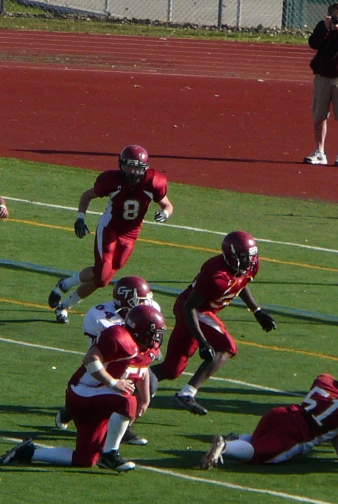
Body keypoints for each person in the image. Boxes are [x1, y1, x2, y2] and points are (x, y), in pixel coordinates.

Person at [0, 305, 166, 472]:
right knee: (127, 399)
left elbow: (142, 370)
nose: (156, 339)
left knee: (85, 459)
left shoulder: (145, 349)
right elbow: (90, 359)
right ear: (138, 331)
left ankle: (29, 453)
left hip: (99, 397)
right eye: (153, 334)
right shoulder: (119, 338)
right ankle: (110, 454)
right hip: (82, 392)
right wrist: (113, 382)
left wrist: (145, 398)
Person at [151, 231, 276, 416]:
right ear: (230, 256)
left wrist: (257, 311)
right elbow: (189, 307)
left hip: (201, 310)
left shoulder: (249, 265)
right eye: (244, 257)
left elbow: (240, 282)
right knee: (227, 347)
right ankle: (186, 394)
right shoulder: (216, 275)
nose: (249, 261)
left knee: (171, 369)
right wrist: (202, 342)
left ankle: (132, 376)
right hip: (195, 310)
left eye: (251, 256)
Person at [47, 145, 173, 325]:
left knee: (103, 280)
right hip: (110, 228)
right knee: (102, 271)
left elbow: (167, 205)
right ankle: (64, 286)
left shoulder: (153, 182)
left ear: (144, 168)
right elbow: (86, 196)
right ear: (121, 165)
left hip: (131, 233)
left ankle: (64, 305)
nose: (132, 171)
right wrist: (80, 218)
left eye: (137, 167)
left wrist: (166, 214)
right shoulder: (111, 180)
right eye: (129, 166)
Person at [54, 276, 162, 446]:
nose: (147, 304)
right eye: (141, 301)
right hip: (111, 361)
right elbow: (101, 354)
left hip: (134, 360)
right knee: (115, 388)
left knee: (150, 384)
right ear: (129, 301)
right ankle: (74, 412)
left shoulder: (149, 309)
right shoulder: (101, 317)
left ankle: (121, 428)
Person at [200, 371, 338, 469]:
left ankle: (236, 440)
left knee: (257, 441)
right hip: (296, 434)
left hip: (281, 413)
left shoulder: (325, 381)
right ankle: (225, 446)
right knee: (257, 455)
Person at [303, 2, 338, 169]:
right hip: (322, 77)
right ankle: (319, 152)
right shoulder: (323, 26)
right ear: (329, 15)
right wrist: (325, 28)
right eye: (336, 15)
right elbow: (313, 43)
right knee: (319, 116)